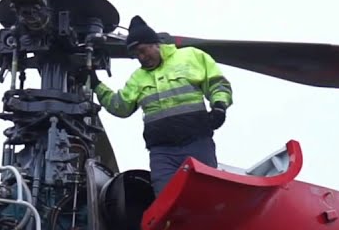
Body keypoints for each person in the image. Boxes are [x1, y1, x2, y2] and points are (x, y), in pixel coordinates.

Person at [88, 15, 233, 195]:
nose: (141, 58)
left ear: (155, 43)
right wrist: (96, 85)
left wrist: (219, 106)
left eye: (143, 51)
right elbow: (120, 107)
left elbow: (217, 83)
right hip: (162, 153)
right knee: (166, 200)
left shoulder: (191, 56)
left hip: (197, 143)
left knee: (205, 194)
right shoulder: (138, 78)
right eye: (136, 55)